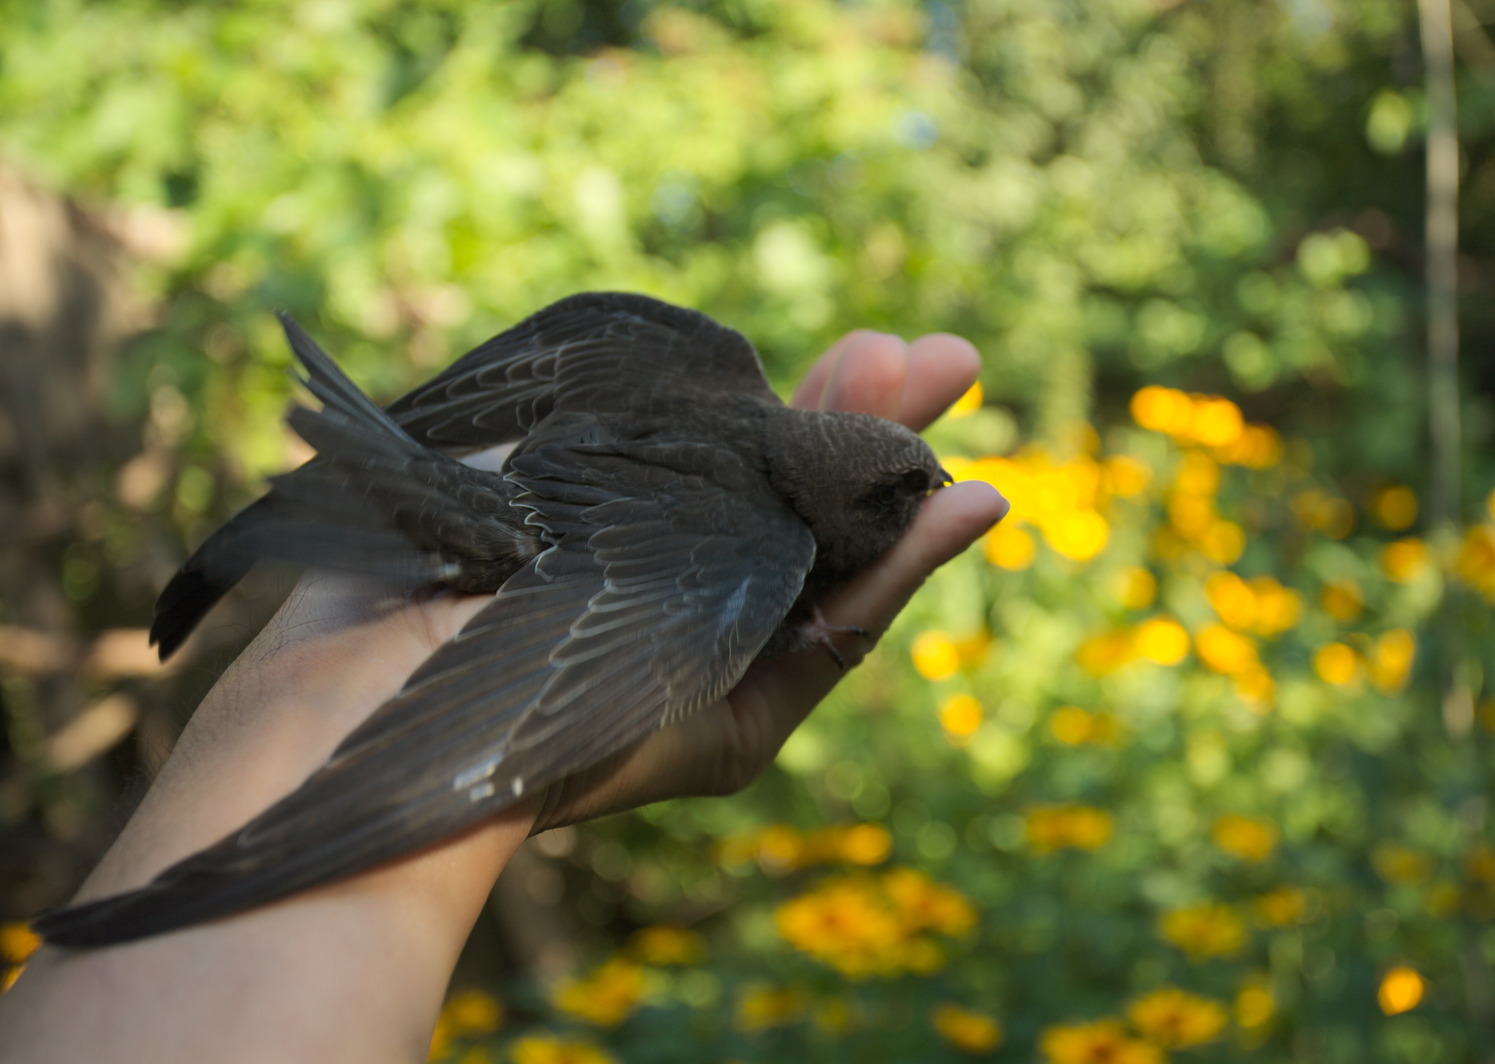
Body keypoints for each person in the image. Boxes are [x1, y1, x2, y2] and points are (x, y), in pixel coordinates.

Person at [0, 328, 1007, 1063]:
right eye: (906, 491)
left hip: (507, 502)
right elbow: (571, 677)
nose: (922, 495)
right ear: (854, 501)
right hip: (508, 526)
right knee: (720, 593)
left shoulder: (689, 348)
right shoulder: (755, 542)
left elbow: (498, 435)